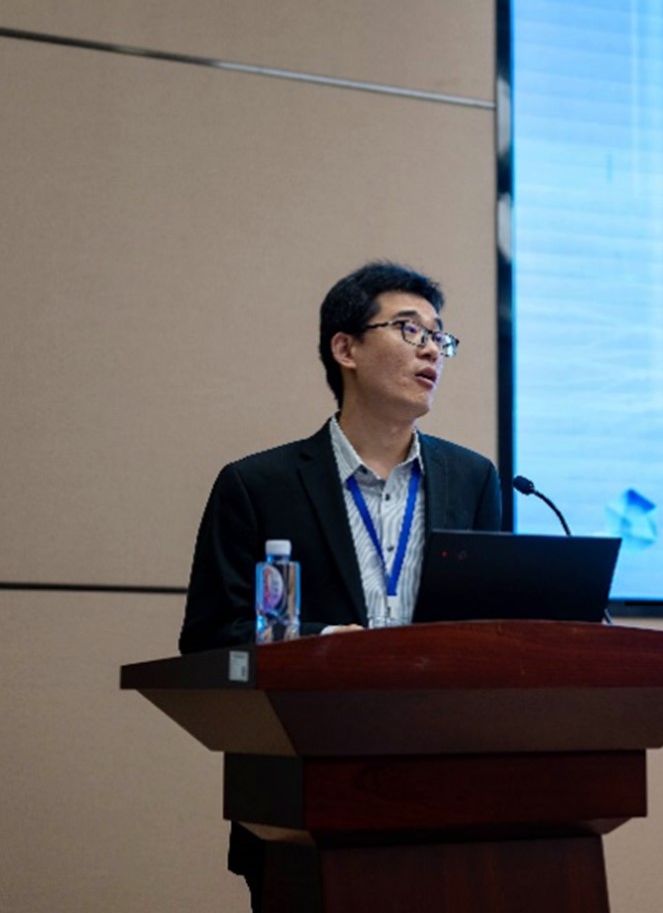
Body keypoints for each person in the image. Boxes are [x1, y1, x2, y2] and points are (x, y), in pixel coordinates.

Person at [179, 261, 501, 908]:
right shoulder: (258, 486)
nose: (432, 349)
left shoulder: (474, 480)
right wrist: (323, 643)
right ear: (345, 348)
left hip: (447, 793)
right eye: (409, 329)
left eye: (439, 336)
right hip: (304, 795)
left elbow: (494, 634)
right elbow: (211, 638)